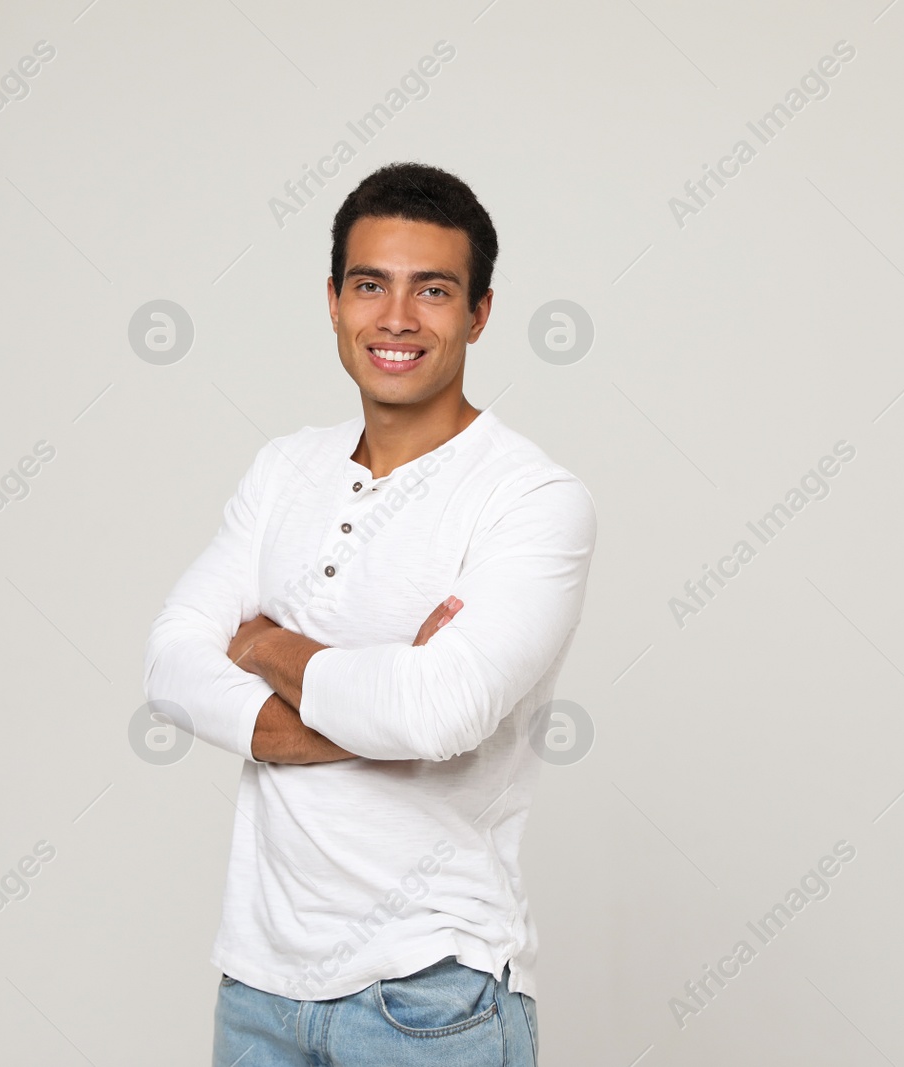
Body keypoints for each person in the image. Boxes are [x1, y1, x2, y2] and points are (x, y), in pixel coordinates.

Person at [143, 161, 597, 1065]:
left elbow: (440, 712)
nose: (396, 318)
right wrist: (374, 693)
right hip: (260, 986)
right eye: (370, 285)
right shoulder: (284, 470)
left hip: (433, 991)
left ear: (479, 313)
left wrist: (264, 643)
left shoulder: (532, 498)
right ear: (334, 300)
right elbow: (168, 667)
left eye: (432, 289)